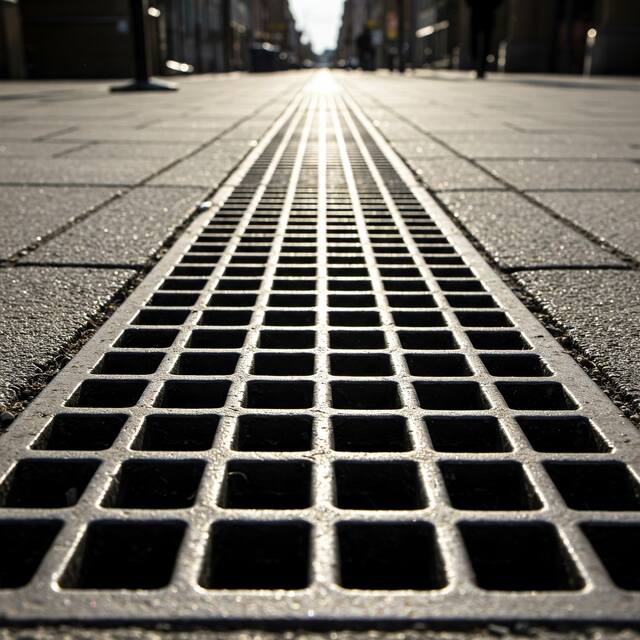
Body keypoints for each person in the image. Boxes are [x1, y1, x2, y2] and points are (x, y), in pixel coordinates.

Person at [466, 0, 502, 79]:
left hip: (486, 12)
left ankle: (482, 66)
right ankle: (477, 64)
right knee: (476, 40)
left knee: (486, 41)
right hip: (479, 12)